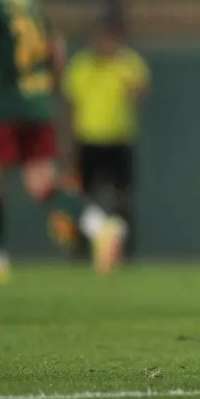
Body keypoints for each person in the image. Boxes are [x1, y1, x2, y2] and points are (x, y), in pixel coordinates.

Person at [0, 0, 125, 285]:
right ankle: (101, 226)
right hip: (36, 103)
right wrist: (47, 91)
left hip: (2, 107)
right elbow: (57, 49)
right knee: (42, 182)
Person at [63, 17, 149, 264]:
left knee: (121, 197)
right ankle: (81, 250)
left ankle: (122, 251)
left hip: (119, 139)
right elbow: (71, 104)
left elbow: (141, 91)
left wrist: (132, 89)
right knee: (83, 196)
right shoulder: (81, 65)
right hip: (87, 140)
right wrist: (69, 144)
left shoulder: (129, 63)